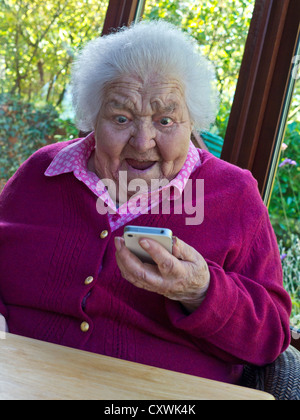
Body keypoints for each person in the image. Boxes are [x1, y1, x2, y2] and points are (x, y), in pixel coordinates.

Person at [0, 21, 292, 385]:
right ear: (94, 116)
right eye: (121, 118)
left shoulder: (233, 194)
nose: (142, 141)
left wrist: (201, 291)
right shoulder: (43, 171)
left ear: (192, 122)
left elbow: (271, 337)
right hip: (25, 382)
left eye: (165, 120)